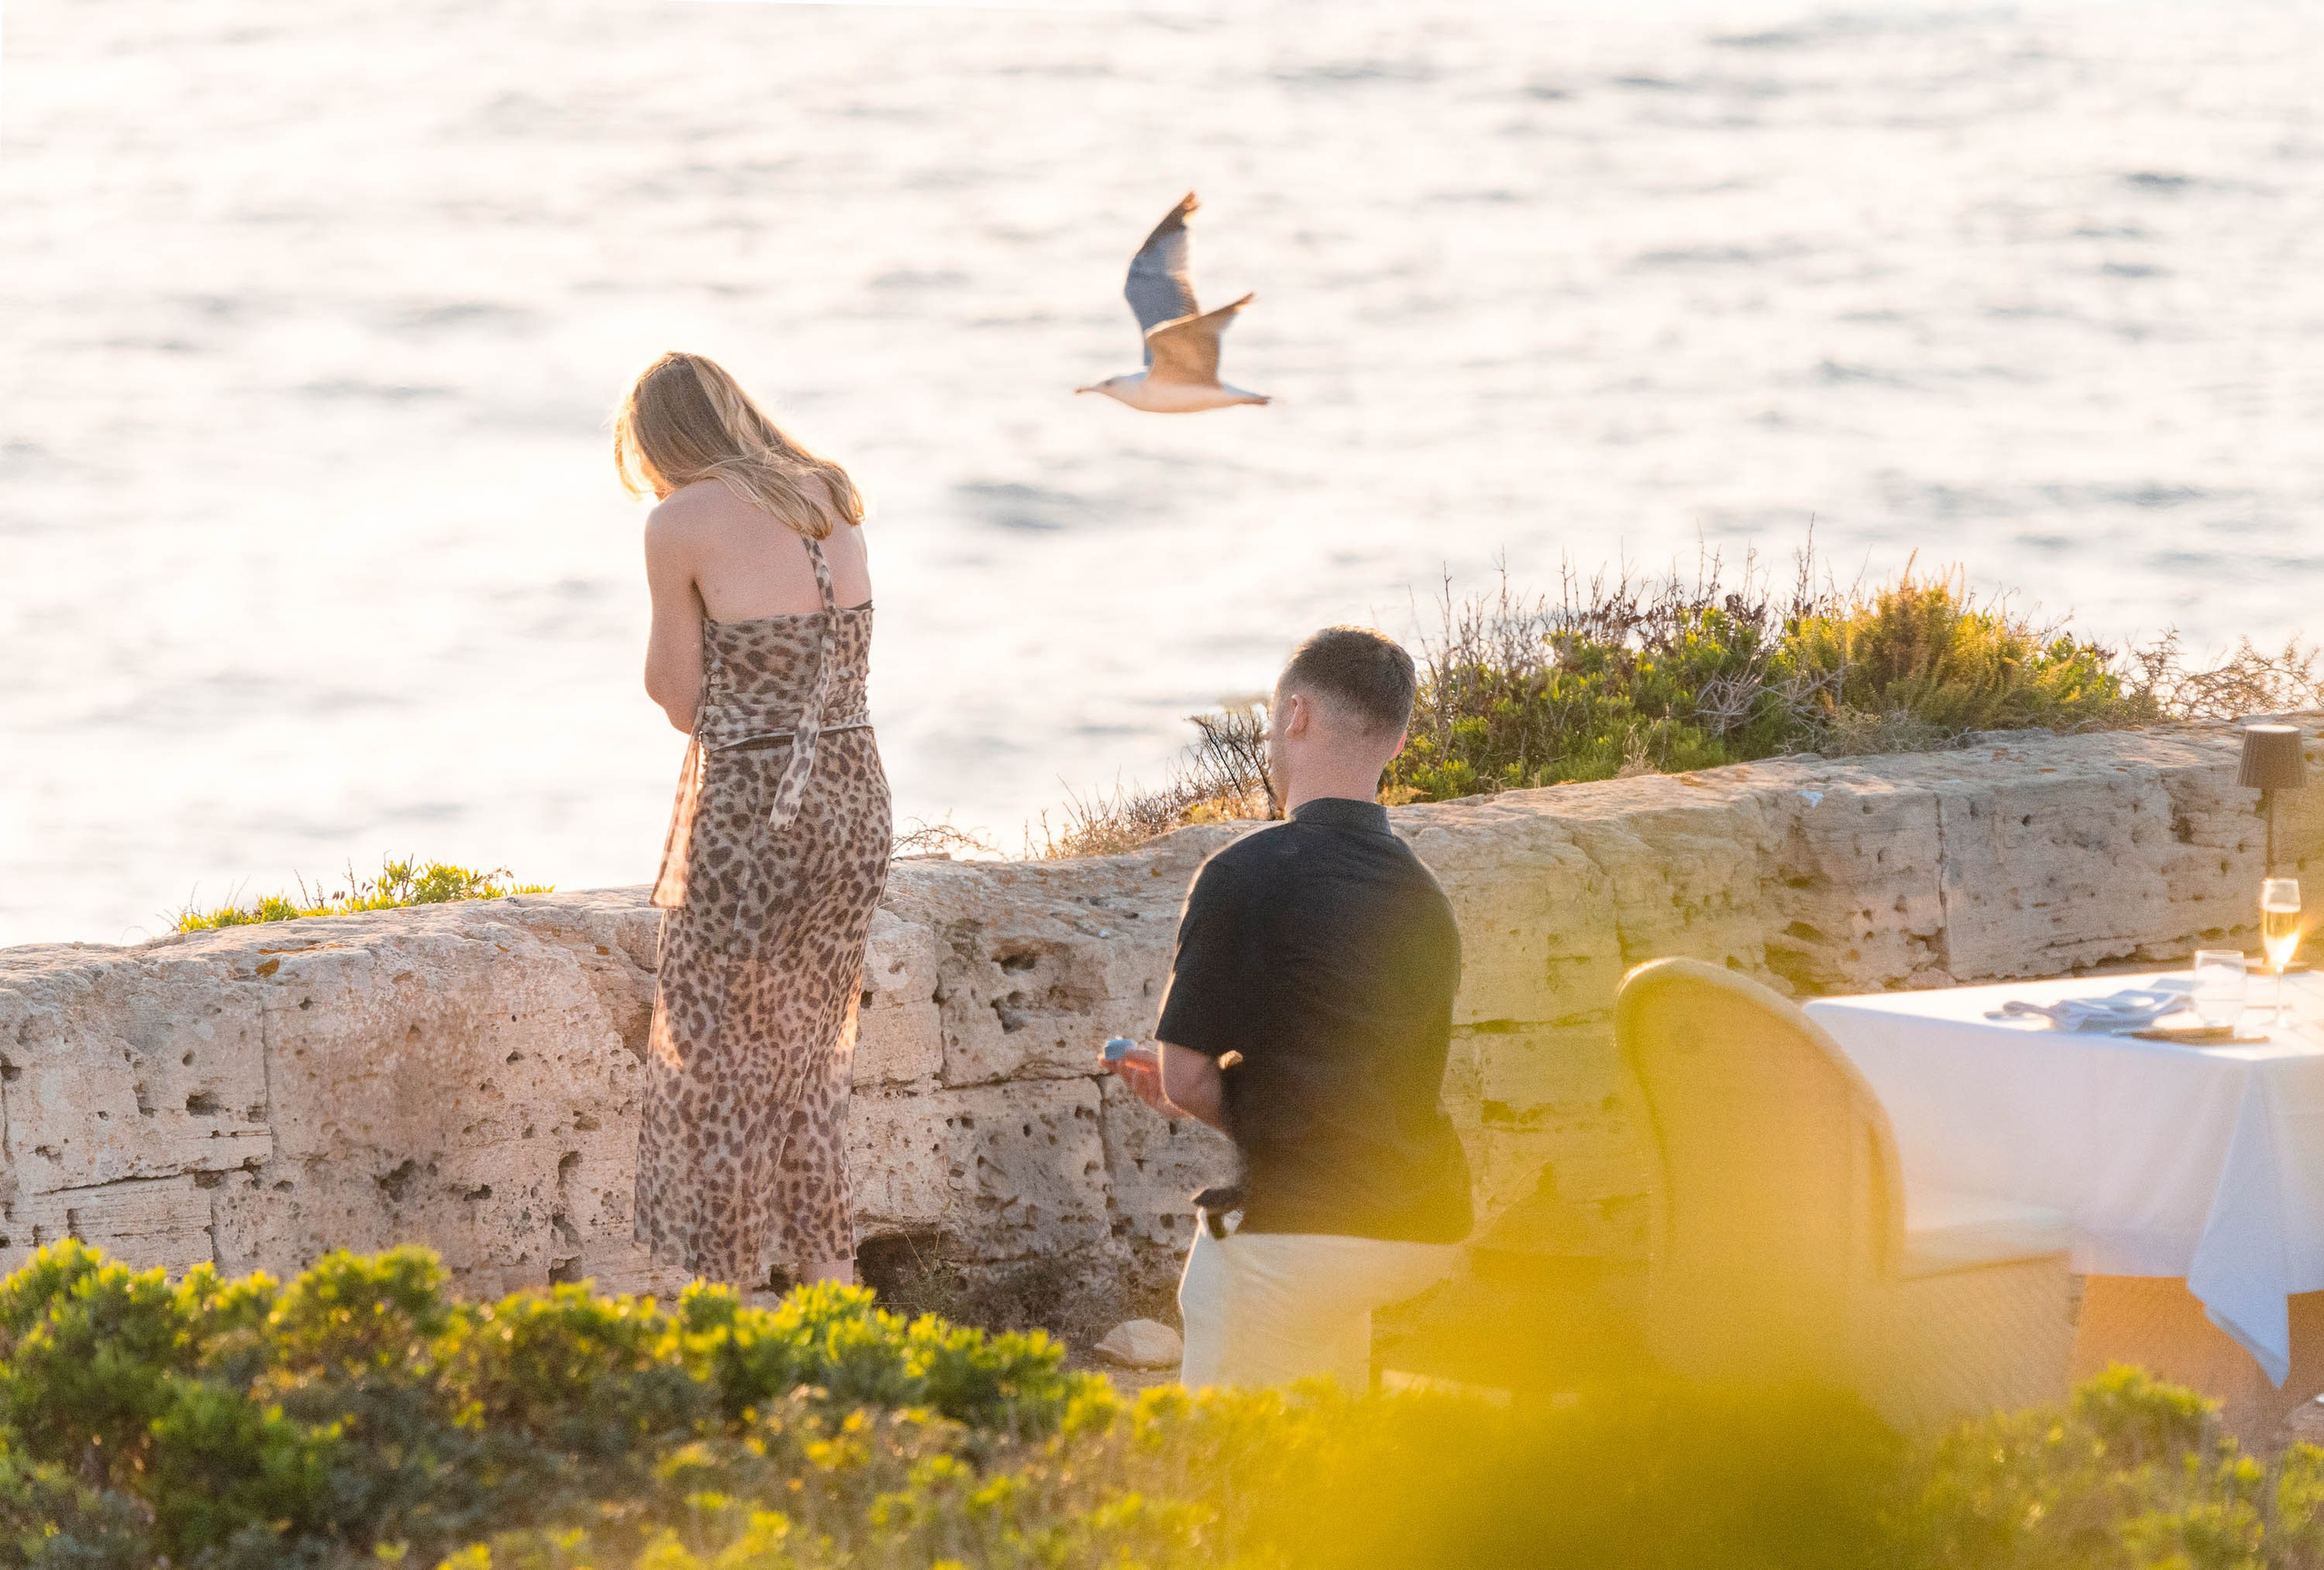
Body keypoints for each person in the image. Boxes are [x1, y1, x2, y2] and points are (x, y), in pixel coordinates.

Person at [1107, 626, 1472, 1388]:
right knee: (1329, 1440)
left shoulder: (1241, 875)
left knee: (1230, 1435)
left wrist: (1182, 1094)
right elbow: (1365, 1082)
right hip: (1423, 1220)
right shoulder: (1425, 898)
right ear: (1398, 742)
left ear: (1296, 715)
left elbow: (1187, 1079)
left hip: (1307, 1225)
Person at [620, 351, 891, 1291]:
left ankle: (724, 1317)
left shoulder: (678, 521)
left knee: (717, 1071)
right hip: (854, 802)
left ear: (660, 446)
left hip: (753, 815)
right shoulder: (829, 494)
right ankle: (833, 1305)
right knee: (810, 1069)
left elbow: (681, 697)